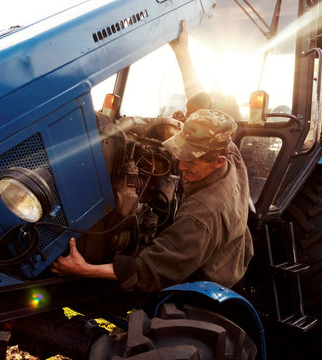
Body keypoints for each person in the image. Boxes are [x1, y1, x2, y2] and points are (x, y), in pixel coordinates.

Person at [50, 20, 253, 293]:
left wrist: (85, 270)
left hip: (211, 277)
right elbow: (201, 106)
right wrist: (182, 52)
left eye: (191, 161)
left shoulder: (202, 216)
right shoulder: (226, 147)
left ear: (217, 162)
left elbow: (152, 268)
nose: (181, 165)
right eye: (182, 154)